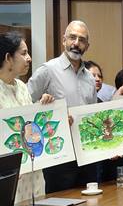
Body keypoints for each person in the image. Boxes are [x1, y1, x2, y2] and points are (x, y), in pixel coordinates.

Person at [27, 20, 97, 193]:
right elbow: (25, 105)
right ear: (63, 40)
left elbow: (93, 114)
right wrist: (43, 106)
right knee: (58, 204)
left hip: (86, 155)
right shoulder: (48, 70)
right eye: (72, 37)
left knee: (90, 203)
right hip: (58, 155)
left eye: (82, 40)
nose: (76, 43)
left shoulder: (90, 78)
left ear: (87, 46)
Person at [0, 32, 54, 203]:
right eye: (23, 53)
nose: (29, 58)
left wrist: (43, 108)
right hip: (8, 172)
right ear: (8, 58)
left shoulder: (22, 87)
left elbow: (30, 125)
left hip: (32, 167)